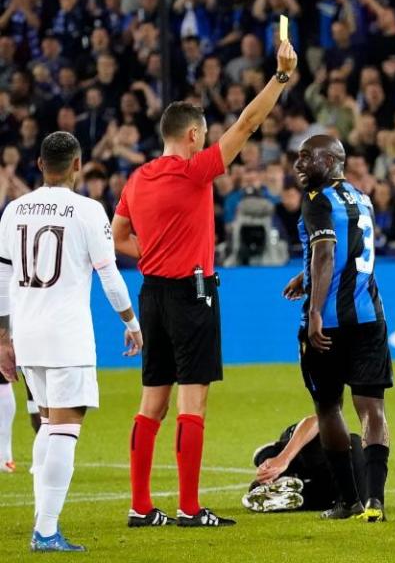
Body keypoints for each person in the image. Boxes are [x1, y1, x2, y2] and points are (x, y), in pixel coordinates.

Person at [112, 40, 299, 528]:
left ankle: (140, 506)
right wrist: (280, 78)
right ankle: (190, 509)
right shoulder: (196, 172)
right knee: (192, 399)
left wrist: (153, 253)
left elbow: (118, 238)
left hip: (151, 293)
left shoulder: (137, 179)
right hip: (192, 293)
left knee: (151, 400)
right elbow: (248, 124)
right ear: (194, 135)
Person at [0, 131, 143, 552]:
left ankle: (42, 520)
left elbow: (3, 277)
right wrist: (131, 321)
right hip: (66, 335)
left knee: (48, 422)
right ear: (78, 165)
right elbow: (110, 275)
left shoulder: (13, 210)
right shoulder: (86, 210)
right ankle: (45, 531)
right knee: (64, 429)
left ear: (41, 165)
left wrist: (3, 336)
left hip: (26, 334)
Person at [283, 134, 392, 522]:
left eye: (306, 157)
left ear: (330, 160)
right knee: (372, 409)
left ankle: (349, 501)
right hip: (369, 317)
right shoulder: (361, 198)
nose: (298, 165)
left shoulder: (316, 200)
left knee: (328, 406)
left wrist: (314, 309)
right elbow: (349, 249)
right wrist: (305, 274)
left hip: (328, 324)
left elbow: (327, 251)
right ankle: (376, 501)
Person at [242, 416, 367, 513]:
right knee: (328, 498)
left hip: (342, 466)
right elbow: (317, 420)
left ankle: (278, 488)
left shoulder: (294, 447)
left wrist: (283, 459)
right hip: (333, 486)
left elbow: (316, 420)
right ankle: (280, 489)